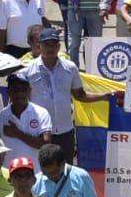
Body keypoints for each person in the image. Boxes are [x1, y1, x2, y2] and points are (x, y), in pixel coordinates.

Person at [18, 27, 108, 163]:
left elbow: (80, 95)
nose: (51, 48)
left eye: (54, 44)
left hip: (65, 132)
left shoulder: (70, 68)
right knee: (39, 172)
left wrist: (105, 96)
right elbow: (21, 102)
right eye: (47, 44)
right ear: (39, 45)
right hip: (38, 132)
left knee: (65, 172)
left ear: (59, 46)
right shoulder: (27, 71)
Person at [0, 74, 53, 169]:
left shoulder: (41, 113)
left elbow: (46, 144)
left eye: (24, 89)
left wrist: (17, 133)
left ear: (29, 91)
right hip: (8, 177)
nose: (20, 94)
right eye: (15, 89)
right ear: (9, 92)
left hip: (35, 175)